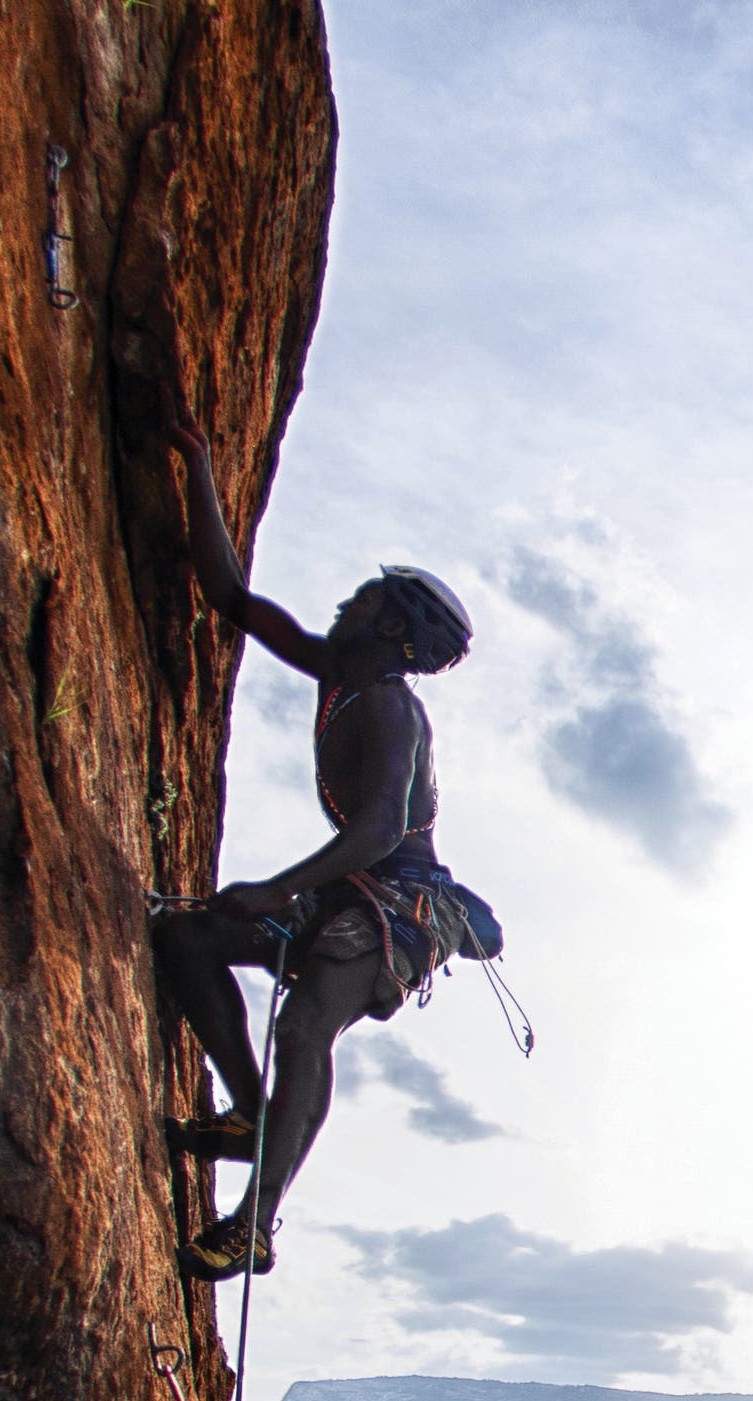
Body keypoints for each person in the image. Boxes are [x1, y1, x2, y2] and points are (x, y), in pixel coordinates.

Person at [149, 392, 482, 1283]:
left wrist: (277, 890)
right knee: (186, 938)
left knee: (305, 1030)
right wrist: (199, 468)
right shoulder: (342, 673)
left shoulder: (388, 707)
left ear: (391, 627)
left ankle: (254, 1221)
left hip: (394, 915)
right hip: (349, 896)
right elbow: (231, 597)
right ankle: (250, 1116)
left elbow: (379, 826)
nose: (350, 600)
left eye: (368, 597)